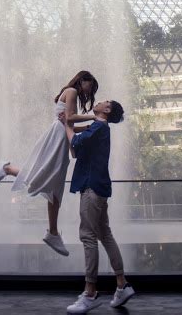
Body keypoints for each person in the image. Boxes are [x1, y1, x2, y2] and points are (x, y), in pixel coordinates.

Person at [0, 71, 98, 256]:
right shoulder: (71, 90)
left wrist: (87, 128)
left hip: (61, 138)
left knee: (55, 189)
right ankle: (7, 168)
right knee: (43, 177)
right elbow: (69, 119)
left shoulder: (72, 93)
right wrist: (94, 118)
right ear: (82, 80)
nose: (91, 91)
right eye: (91, 86)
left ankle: (53, 232)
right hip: (57, 138)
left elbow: (68, 124)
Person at [64, 100, 135, 313]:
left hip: (92, 187)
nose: (100, 101)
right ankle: (122, 284)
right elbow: (77, 152)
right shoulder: (99, 128)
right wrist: (69, 127)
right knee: (105, 234)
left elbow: (75, 143)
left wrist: (67, 126)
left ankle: (90, 293)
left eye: (104, 102)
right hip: (99, 187)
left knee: (88, 236)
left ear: (107, 110)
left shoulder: (99, 126)